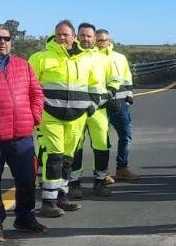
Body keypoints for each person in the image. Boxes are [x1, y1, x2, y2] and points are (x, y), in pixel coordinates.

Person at [0, 24, 46, 242]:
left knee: (26, 178)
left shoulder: (23, 65)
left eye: (6, 38)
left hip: (22, 135)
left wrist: (34, 116)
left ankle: (24, 217)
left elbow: (36, 92)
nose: (2, 42)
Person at [29, 20, 102, 218]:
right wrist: (37, 110)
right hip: (50, 115)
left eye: (66, 34)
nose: (63, 38)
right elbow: (30, 86)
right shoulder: (40, 57)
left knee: (68, 159)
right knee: (54, 155)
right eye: (59, 34)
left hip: (77, 117)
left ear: (74, 37)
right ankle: (48, 202)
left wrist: (91, 107)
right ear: (55, 35)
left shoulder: (87, 59)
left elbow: (96, 86)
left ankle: (62, 196)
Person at [68, 22, 120, 199]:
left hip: (99, 111)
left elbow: (114, 82)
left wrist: (104, 99)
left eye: (89, 36)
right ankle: (74, 183)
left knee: (101, 145)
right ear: (76, 36)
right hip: (77, 112)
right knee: (75, 146)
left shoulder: (104, 59)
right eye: (82, 35)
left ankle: (100, 181)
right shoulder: (71, 58)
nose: (85, 39)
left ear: (95, 38)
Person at [95, 29, 140, 182]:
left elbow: (127, 77)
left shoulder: (120, 58)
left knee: (126, 136)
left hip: (121, 103)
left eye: (104, 40)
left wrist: (129, 95)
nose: (101, 43)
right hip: (102, 105)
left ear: (110, 40)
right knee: (102, 139)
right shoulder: (92, 58)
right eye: (98, 40)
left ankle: (122, 168)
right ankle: (103, 172)